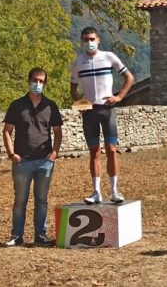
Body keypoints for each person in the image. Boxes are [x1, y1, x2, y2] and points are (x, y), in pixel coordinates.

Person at [70, 27, 134, 204]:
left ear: (98, 40)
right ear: (82, 41)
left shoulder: (109, 57)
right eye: (85, 39)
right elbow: (73, 88)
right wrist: (78, 103)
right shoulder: (78, 63)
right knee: (94, 151)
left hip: (107, 109)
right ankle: (96, 191)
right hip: (90, 111)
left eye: (92, 39)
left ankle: (114, 190)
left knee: (112, 150)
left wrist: (119, 96)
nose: (89, 42)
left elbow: (129, 77)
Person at [2, 67, 63, 247]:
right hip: (22, 162)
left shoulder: (50, 106)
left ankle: (40, 236)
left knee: (42, 200)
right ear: (29, 81)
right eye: (35, 80)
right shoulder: (17, 105)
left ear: (45, 84)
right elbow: (7, 131)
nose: (38, 84)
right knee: (20, 200)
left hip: (45, 161)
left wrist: (54, 153)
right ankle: (16, 236)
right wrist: (11, 153)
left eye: (41, 81)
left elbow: (57, 132)